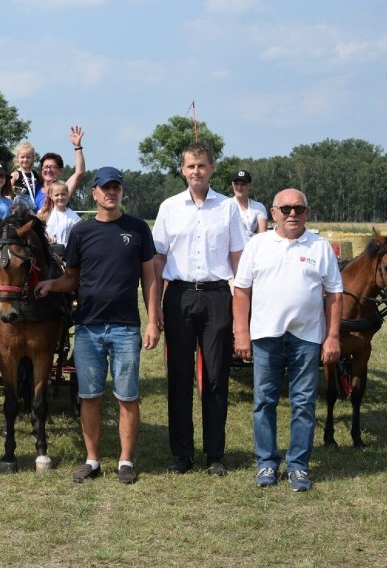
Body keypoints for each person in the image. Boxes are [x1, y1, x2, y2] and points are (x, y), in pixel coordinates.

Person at [35, 167, 161, 485]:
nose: (111, 193)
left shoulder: (137, 229)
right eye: (105, 188)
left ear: (121, 192)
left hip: (125, 328)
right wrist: (52, 285)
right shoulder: (81, 232)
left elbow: (149, 277)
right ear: (94, 193)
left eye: (116, 188)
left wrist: (153, 322)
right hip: (89, 327)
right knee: (89, 396)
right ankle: (92, 461)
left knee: (127, 396)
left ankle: (125, 461)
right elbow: (72, 278)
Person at [233, 188, 343, 491]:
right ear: (273, 213)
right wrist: (241, 331)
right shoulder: (257, 245)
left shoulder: (321, 247)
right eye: (285, 209)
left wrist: (332, 336)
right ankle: (267, 463)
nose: (292, 213)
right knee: (264, 401)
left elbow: (335, 294)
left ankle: (298, 467)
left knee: (304, 403)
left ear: (307, 213)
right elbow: (242, 291)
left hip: (306, 337)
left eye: (298, 208)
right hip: (267, 335)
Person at [151, 142, 246, 477]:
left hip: (218, 296)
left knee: (217, 377)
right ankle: (182, 453)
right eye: (190, 166)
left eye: (202, 166)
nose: (196, 172)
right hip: (178, 297)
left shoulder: (228, 208)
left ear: (212, 168)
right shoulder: (169, 207)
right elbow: (158, 258)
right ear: (182, 169)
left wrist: (241, 308)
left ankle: (215, 454)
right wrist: (155, 309)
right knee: (179, 377)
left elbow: (238, 258)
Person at [34, 126, 86, 210]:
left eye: (52, 167)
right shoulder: (35, 188)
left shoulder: (63, 188)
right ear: (41, 169)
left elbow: (79, 172)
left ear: (60, 171)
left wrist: (78, 147)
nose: (48, 170)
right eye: (46, 167)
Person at [37, 180, 80, 253]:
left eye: (63, 194)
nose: (60, 197)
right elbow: (36, 232)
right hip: (46, 254)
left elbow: (77, 241)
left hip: (65, 255)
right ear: (50, 196)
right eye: (56, 195)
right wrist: (46, 237)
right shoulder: (42, 213)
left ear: (67, 194)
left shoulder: (75, 218)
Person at [231, 169, 267, 239]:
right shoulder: (226, 206)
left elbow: (262, 236)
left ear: (250, 185)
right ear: (232, 184)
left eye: (243, 184)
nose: (239, 187)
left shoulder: (259, 207)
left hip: (253, 247)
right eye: (236, 184)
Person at [10, 141, 41, 211]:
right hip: (20, 210)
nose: (25, 159)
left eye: (28, 157)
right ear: (17, 158)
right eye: (22, 157)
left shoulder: (36, 174)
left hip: (35, 209)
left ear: (33, 158)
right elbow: (7, 192)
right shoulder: (15, 175)